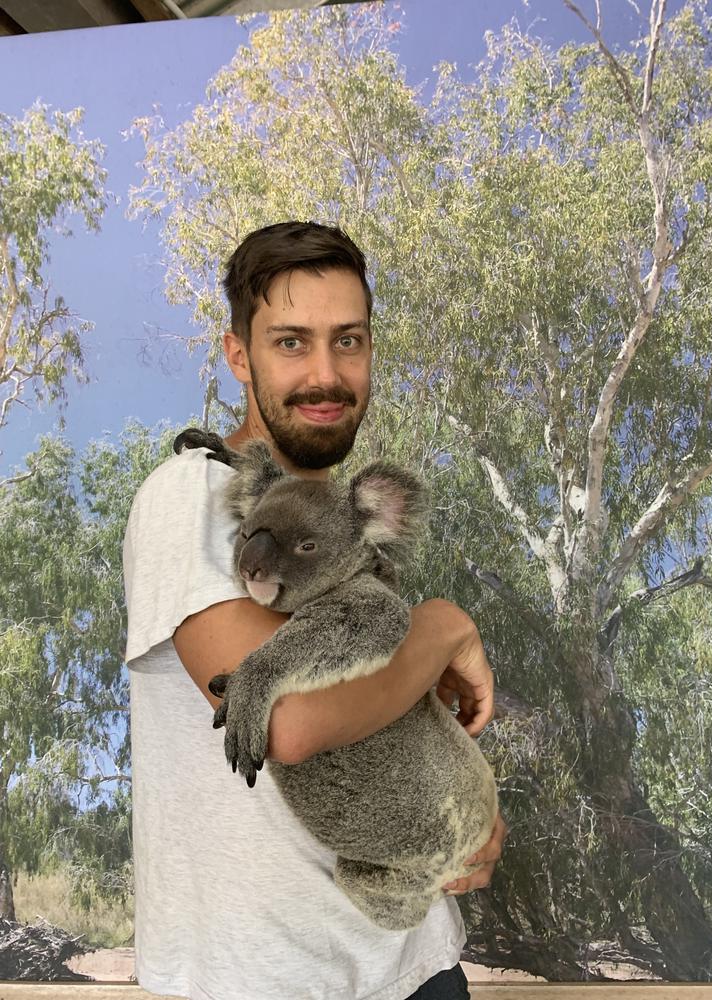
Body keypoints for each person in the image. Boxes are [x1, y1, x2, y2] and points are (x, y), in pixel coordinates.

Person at [123, 221, 508, 1000]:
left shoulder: (333, 519)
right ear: (239, 355)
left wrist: (460, 823)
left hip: (413, 960)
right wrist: (440, 628)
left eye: (350, 341)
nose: (326, 373)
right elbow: (286, 722)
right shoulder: (189, 496)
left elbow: (395, 706)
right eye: (291, 342)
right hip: (260, 979)